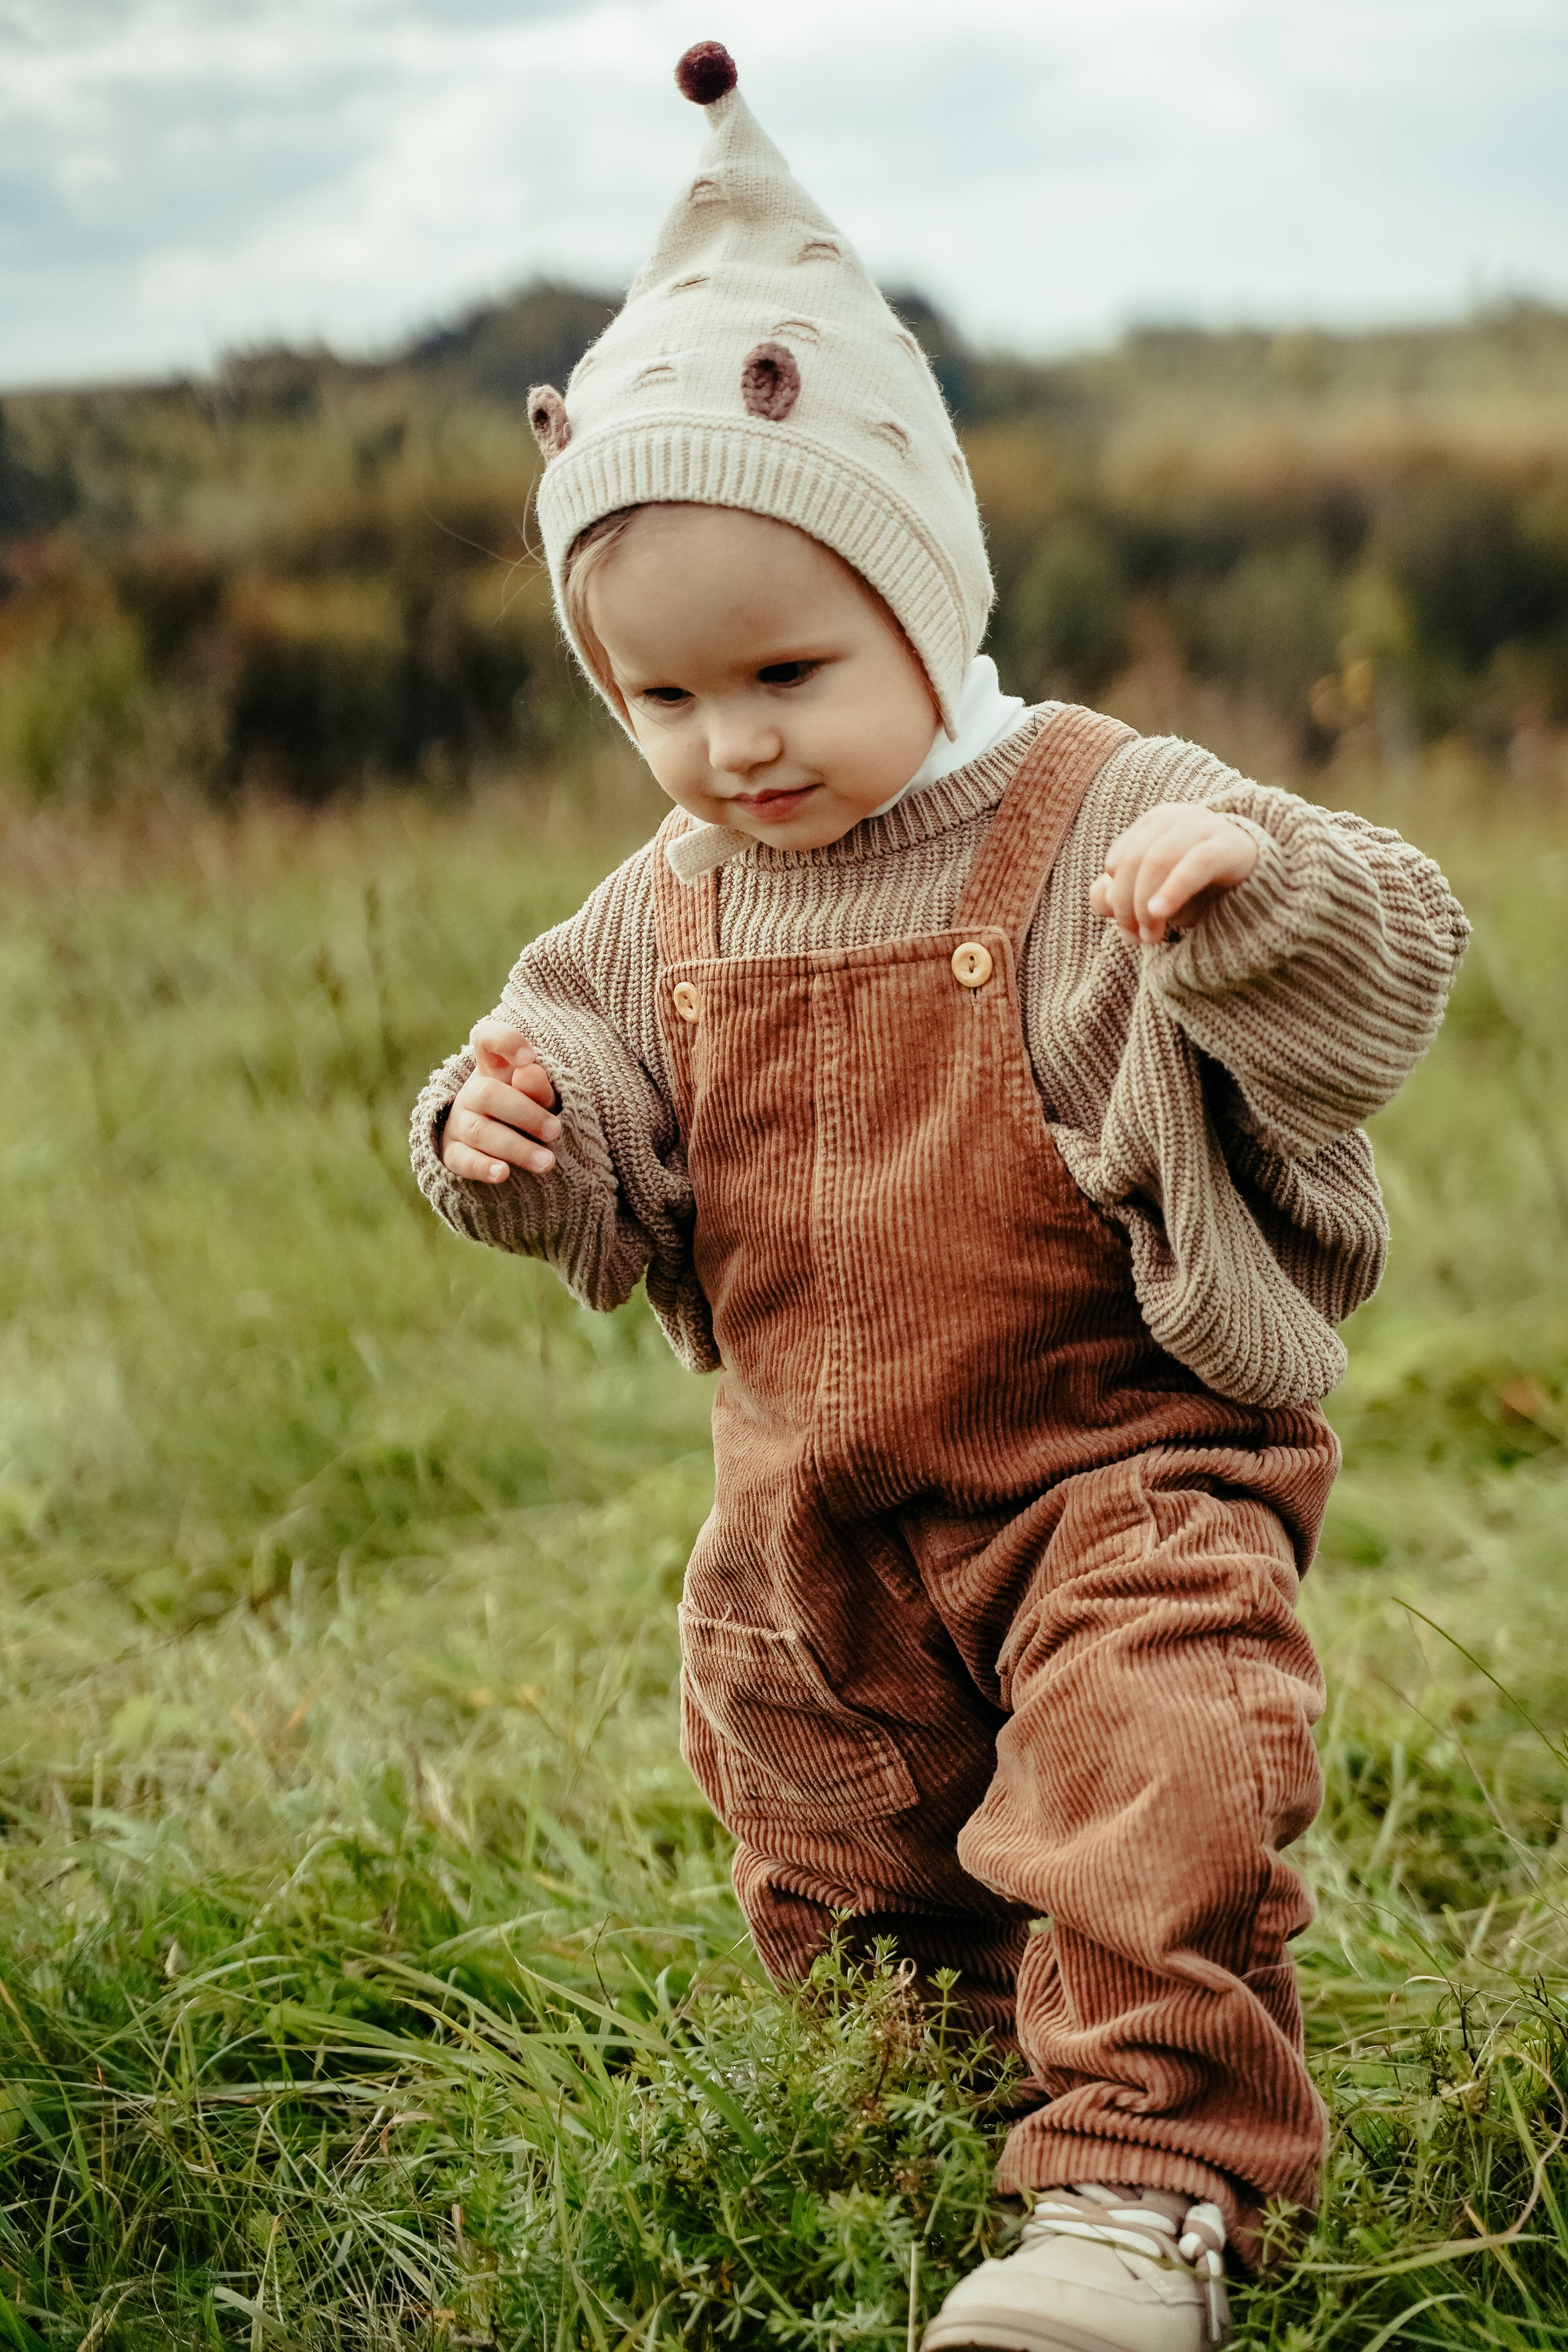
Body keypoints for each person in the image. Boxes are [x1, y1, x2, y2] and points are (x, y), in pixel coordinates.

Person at [410, 43, 1467, 2352]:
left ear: (923, 591)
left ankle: (1137, 2199)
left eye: (786, 671)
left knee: (1145, 1776)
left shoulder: (1089, 801)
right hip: (817, 1510)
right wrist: (512, 1130)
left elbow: (1396, 942)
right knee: (829, 1824)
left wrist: (1251, 898)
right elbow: (565, 1051)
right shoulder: (670, 894)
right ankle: (940, 2102)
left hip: (1118, 1465)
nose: (734, 746)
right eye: (661, 699)